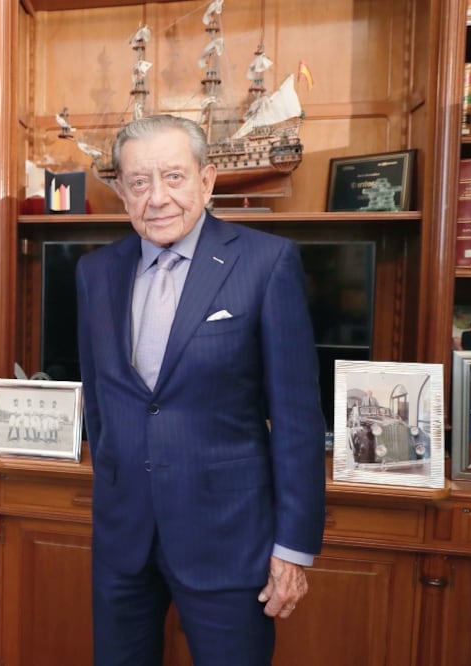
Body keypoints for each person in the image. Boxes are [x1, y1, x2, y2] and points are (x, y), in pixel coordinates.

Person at [75, 115, 326, 665]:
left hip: (230, 540)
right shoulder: (96, 273)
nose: (157, 198)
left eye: (174, 177)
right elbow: (100, 402)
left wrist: (293, 548)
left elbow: (297, 419)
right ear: (121, 191)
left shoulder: (265, 263)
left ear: (207, 181)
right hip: (124, 538)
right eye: (139, 182)